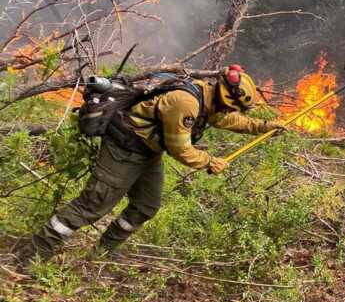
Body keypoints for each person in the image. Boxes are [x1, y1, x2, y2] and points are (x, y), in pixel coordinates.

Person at [14, 64, 285, 265]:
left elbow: (225, 120)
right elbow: (181, 148)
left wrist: (262, 126)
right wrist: (209, 162)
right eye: (233, 107)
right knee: (92, 206)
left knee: (146, 206)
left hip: (147, 152)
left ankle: (102, 255)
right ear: (227, 100)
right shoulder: (186, 103)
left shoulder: (207, 97)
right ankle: (29, 257)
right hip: (125, 149)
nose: (232, 113)